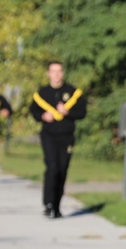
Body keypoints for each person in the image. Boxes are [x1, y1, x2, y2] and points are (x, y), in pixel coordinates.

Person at [29, 61, 87, 218]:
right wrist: (42, 116)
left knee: (62, 170)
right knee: (52, 167)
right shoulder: (42, 93)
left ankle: (57, 205)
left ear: (63, 73)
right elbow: (33, 111)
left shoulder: (72, 92)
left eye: (59, 71)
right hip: (49, 135)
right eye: (53, 71)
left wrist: (68, 112)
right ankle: (48, 204)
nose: (56, 74)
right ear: (48, 74)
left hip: (67, 136)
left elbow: (82, 112)